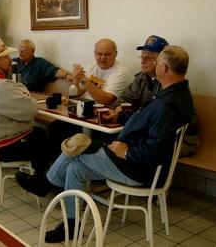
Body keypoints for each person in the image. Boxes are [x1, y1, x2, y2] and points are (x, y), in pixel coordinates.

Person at [16, 45, 194, 243]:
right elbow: (145, 119)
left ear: (165, 69)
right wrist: (121, 114)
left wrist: (126, 153)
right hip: (130, 158)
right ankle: (71, 226)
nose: (151, 63)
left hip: (136, 168)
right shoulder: (174, 94)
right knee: (75, 168)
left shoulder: (168, 105)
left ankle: (45, 183)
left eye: (156, 61)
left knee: (77, 145)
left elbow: (157, 150)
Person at [0, 38, 52, 174]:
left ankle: (42, 179)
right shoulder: (0, 86)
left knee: (39, 134)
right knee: (44, 136)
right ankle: (43, 180)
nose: (10, 60)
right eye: (6, 57)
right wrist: (23, 92)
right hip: (5, 148)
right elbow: (31, 110)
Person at [72, 38, 131, 105]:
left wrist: (83, 79)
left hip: (102, 110)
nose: (103, 57)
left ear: (115, 54)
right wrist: (76, 80)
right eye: (99, 54)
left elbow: (106, 101)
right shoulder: (92, 66)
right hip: (82, 105)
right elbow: (79, 93)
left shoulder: (121, 72)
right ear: (95, 54)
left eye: (107, 54)